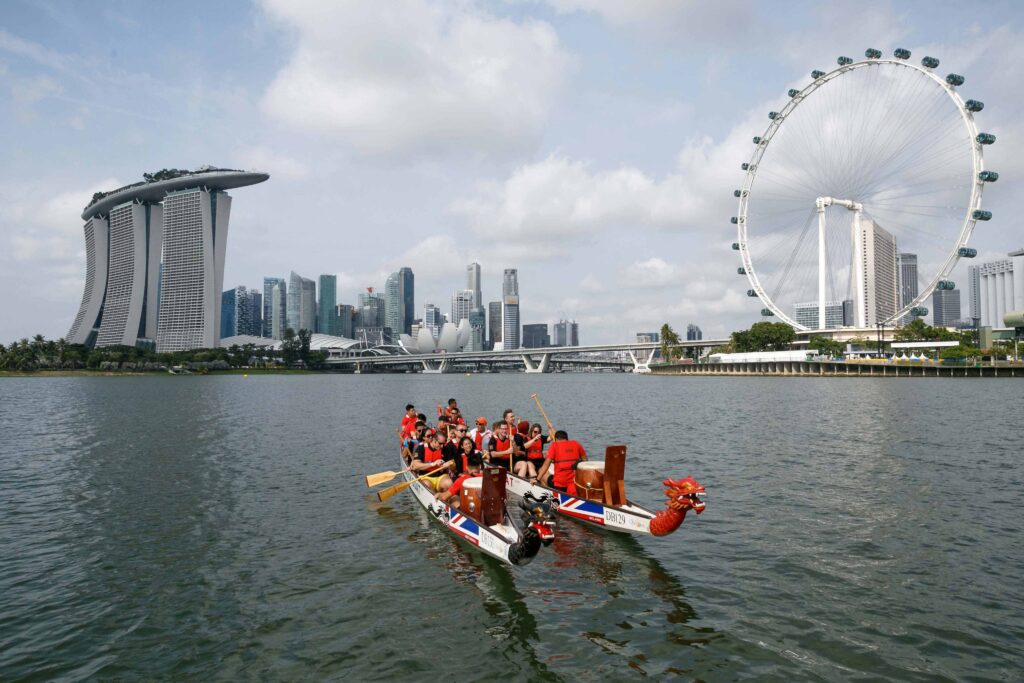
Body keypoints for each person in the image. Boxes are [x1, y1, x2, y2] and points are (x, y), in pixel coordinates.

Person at [536, 430, 587, 494]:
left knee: (542, 475)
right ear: (567, 438)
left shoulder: (554, 445)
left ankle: (548, 496)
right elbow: (585, 462)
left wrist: (537, 480)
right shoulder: (576, 443)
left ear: (556, 439)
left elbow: (546, 464)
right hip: (574, 483)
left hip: (559, 485)